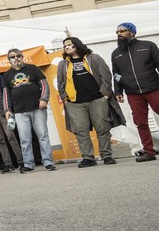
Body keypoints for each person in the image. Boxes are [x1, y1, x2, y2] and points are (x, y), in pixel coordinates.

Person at [57, 37, 124, 167]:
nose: (67, 47)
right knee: (80, 130)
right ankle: (88, 158)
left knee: (102, 128)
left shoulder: (94, 58)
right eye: (65, 45)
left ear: (77, 45)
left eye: (70, 44)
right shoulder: (63, 64)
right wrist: (65, 98)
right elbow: (60, 82)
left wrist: (105, 94)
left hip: (97, 99)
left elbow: (106, 75)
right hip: (74, 103)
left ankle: (107, 155)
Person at [111, 22, 159, 162]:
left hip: (153, 88)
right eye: (117, 32)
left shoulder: (148, 46)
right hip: (132, 93)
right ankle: (149, 152)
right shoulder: (116, 53)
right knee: (140, 122)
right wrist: (118, 90)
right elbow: (116, 74)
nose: (119, 34)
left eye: (122, 31)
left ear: (132, 32)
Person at [3, 49, 56, 172]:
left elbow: (44, 84)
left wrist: (44, 98)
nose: (15, 58)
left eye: (18, 56)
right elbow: (6, 94)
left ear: (22, 57)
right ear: (9, 60)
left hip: (37, 108)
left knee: (43, 135)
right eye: (12, 57)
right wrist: (7, 109)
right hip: (19, 112)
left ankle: (48, 162)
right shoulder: (7, 75)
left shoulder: (33, 68)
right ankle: (28, 164)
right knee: (24, 138)